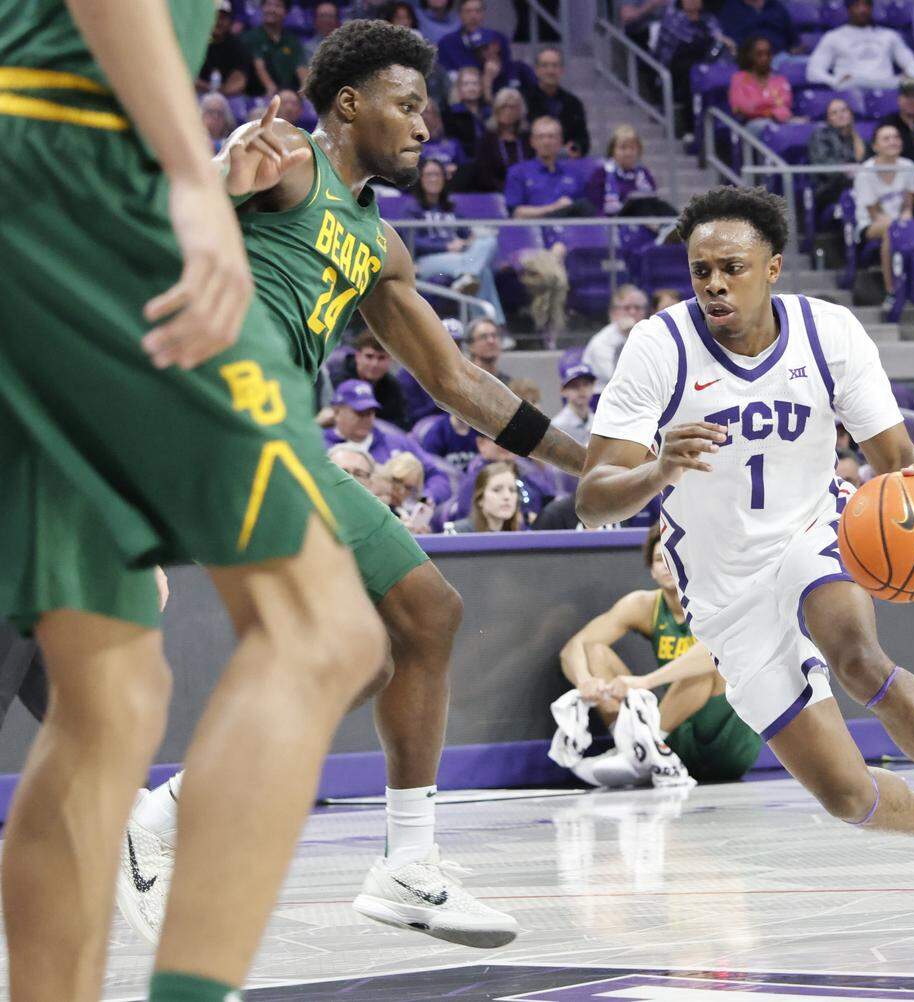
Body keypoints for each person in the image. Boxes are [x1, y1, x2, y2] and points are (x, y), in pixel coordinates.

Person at [115, 19, 587, 957]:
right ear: (348, 103)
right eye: (406, 106)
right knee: (384, 630)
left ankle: (372, 860)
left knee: (401, 635)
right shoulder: (288, 157)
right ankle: (179, 825)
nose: (423, 127)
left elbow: (457, 382)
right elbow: (177, 214)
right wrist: (222, 176)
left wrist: (593, 463)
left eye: (426, 111)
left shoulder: (379, 243)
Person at [0, 5, 394, 1002]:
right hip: (79, 179)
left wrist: (207, 174)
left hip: (48, 170)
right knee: (323, 630)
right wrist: (186, 177)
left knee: (112, 698)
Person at [577, 183, 914, 938]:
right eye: (701, 270)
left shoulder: (829, 333)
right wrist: (658, 469)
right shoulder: (660, 347)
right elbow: (592, 500)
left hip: (812, 530)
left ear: (773, 267)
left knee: (860, 659)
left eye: (732, 268)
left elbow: (895, 458)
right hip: (723, 589)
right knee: (847, 796)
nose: (714, 285)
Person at [560, 524, 764, 782]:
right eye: (659, 559)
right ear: (651, 570)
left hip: (729, 741)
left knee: (705, 666)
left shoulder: (719, 598)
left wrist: (646, 681)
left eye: (674, 557)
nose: (667, 565)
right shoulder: (645, 605)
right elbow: (574, 647)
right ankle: (634, 749)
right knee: (595, 652)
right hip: (677, 731)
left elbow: (716, 650)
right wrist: (584, 680)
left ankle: (644, 746)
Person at [407, 158, 506, 322]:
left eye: (438, 174)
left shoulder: (451, 208)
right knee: (482, 271)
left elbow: (466, 234)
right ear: (420, 178)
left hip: (459, 259)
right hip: (427, 261)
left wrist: (469, 241)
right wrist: (446, 246)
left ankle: (469, 277)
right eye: (429, 175)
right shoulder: (412, 209)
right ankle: (494, 324)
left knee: (488, 242)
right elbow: (412, 241)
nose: (434, 179)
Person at [324, 380, 454, 504]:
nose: (366, 418)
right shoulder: (319, 445)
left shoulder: (396, 442)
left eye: (370, 412)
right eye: (360, 412)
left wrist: (424, 500)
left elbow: (438, 477)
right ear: (336, 412)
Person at [854, 123, 914, 307]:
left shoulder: (909, 166)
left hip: (900, 222)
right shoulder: (865, 172)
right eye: (886, 138)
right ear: (875, 146)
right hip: (870, 224)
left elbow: (908, 205)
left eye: (896, 137)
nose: (893, 141)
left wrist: (906, 217)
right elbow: (875, 214)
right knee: (891, 230)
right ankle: (891, 291)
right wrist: (901, 225)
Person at [584, 125, 672, 254]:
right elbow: (594, 204)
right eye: (623, 148)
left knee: (660, 204)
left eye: (632, 148)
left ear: (638, 151)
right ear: (612, 151)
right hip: (614, 221)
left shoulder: (644, 173)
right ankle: (662, 229)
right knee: (637, 203)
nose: (628, 153)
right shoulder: (601, 173)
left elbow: (653, 199)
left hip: (643, 221)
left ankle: (676, 228)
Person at [807, 0, 914, 96]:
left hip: (887, 85)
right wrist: (835, 81)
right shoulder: (834, 37)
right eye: (857, 5)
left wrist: (910, 75)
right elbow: (813, 72)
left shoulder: (889, 35)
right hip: (854, 86)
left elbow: (912, 63)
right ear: (849, 9)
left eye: (866, 5)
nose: (862, 10)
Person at [656, 0, 735, 139]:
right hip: (675, 65)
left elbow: (718, 38)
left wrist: (725, 43)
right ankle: (691, 129)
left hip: (705, 63)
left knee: (721, 73)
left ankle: (722, 127)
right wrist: (715, 40)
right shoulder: (674, 17)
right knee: (692, 74)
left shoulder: (708, 19)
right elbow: (679, 40)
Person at [504, 116, 593, 236]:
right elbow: (517, 214)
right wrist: (555, 208)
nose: (546, 142)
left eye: (551, 136)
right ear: (532, 142)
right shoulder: (517, 172)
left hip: (570, 237)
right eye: (540, 137)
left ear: (560, 141)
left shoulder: (575, 174)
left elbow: (585, 211)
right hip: (532, 237)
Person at [522, 47, 590, 157]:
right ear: (536, 70)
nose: (550, 71)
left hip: (565, 161)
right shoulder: (523, 100)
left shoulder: (574, 103)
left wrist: (574, 148)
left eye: (555, 66)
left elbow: (582, 139)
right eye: (545, 66)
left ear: (562, 70)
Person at [582, 284, 652, 392]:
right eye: (627, 308)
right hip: (603, 396)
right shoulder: (602, 342)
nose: (632, 312)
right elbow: (617, 378)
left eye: (637, 308)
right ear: (614, 312)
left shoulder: (648, 336)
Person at [337, 330, 411, 430]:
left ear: (391, 359)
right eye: (369, 356)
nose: (374, 364)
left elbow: (400, 423)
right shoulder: (336, 377)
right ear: (357, 356)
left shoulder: (392, 386)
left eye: (381, 358)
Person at [809, 98, 866, 215]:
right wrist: (845, 169)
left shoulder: (858, 138)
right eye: (834, 113)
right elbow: (823, 164)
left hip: (856, 183)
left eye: (843, 110)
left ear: (850, 114)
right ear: (828, 119)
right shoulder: (821, 135)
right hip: (829, 187)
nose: (840, 115)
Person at [243, 0, 308, 97]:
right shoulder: (250, 37)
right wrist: (275, 94)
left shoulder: (292, 40)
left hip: (289, 94)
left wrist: (304, 92)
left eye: (278, 6)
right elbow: (260, 67)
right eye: (268, 4)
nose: (272, 9)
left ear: (286, 12)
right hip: (260, 95)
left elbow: (301, 68)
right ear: (262, 8)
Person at [730, 35, 793, 134]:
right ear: (750, 56)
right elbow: (741, 108)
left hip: (778, 122)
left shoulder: (780, 80)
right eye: (759, 54)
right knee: (768, 127)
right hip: (751, 125)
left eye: (768, 54)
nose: (764, 58)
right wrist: (770, 111)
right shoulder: (739, 79)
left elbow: (784, 107)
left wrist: (762, 108)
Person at [475, 85, 531, 192]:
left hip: (527, 190)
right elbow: (483, 175)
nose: (508, 111)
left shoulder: (527, 138)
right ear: (496, 110)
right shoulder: (486, 139)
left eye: (512, 107)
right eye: (504, 106)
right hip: (496, 193)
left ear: (520, 111)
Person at [437, 0, 512, 73]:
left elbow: (508, 70)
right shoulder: (446, 43)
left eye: (478, 11)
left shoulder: (498, 38)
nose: (473, 16)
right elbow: (444, 74)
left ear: (484, 13)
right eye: (468, 11)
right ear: (460, 14)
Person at [198, 0, 253, 96]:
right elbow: (187, 74)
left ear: (230, 21)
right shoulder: (197, 41)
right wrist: (208, 88)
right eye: (214, 16)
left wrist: (222, 92)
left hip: (227, 95)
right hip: (198, 92)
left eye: (223, 18)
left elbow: (240, 79)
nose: (218, 21)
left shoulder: (237, 45)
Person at [449, 460, 524, 531]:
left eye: (512, 490)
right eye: (497, 490)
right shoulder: (458, 533)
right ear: (480, 499)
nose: (507, 496)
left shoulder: (521, 533)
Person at [443, 65, 492, 158]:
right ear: (459, 88)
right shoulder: (450, 114)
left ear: (481, 87)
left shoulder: (489, 112)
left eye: (475, 83)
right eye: (466, 84)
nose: (471, 88)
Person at [718, 0, 799, 52]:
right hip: (748, 59)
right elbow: (729, 41)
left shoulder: (776, 6)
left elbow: (794, 41)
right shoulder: (731, 8)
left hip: (781, 57)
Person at [551, 359, 597, 448]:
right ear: (563, 390)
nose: (582, 390)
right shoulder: (557, 426)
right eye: (574, 386)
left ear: (593, 386)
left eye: (586, 384)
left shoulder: (598, 422)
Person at [465, 316, 513, 383]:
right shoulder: (462, 382)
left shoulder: (508, 385)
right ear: (471, 346)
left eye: (494, 335)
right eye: (483, 337)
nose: (491, 341)